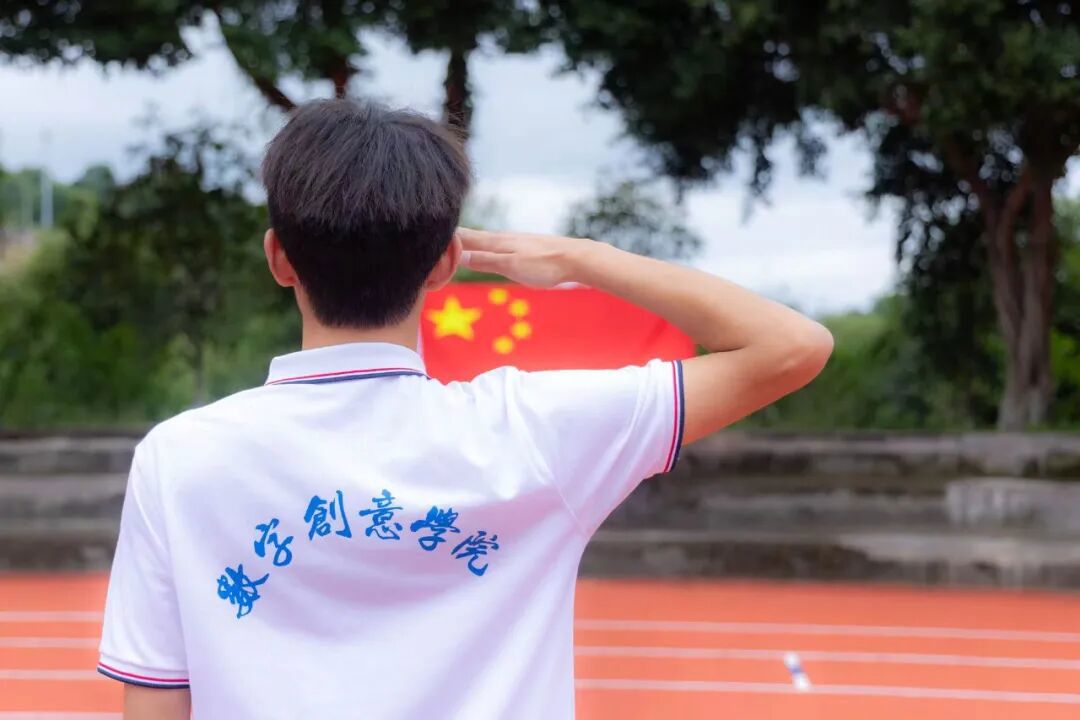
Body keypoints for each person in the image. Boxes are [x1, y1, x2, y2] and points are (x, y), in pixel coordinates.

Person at [98, 99, 833, 719]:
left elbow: (155, 703)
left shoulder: (180, 456)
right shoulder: (533, 431)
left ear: (279, 258)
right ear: (446, 264)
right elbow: (791, 346)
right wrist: (581, 259)